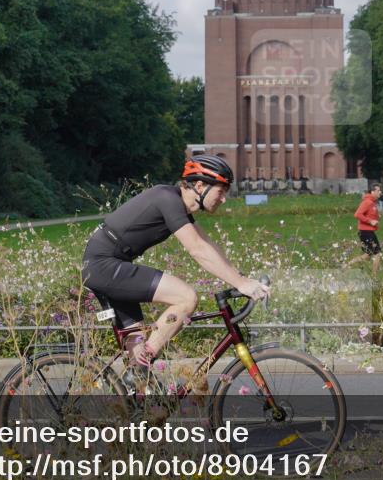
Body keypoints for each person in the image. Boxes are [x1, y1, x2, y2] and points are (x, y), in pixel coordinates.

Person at [82, 154, 270, 375]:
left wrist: (241, 278)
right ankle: (144, 365)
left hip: (109, 265)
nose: (224, 199)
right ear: (199, 186)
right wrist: (240, 283)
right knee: (186, 297)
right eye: (221, 191)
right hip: (105, 265)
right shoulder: (167, 199)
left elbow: (207, 244)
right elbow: (196, 249)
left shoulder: (175, 203)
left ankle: (138, 392)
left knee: (137, 351)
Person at [346, 183, 383, 274]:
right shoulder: (368, 202)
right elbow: (357, 214)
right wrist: (370, 221)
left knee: (368, 255)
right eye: (378, 190)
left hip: (368, 231)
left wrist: (377, 217)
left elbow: (369, 214)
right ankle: (374, 278)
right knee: (377, 254)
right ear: (372, 191)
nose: (380, 192)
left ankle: (347, 265)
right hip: (366, 232)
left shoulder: (372, 202)